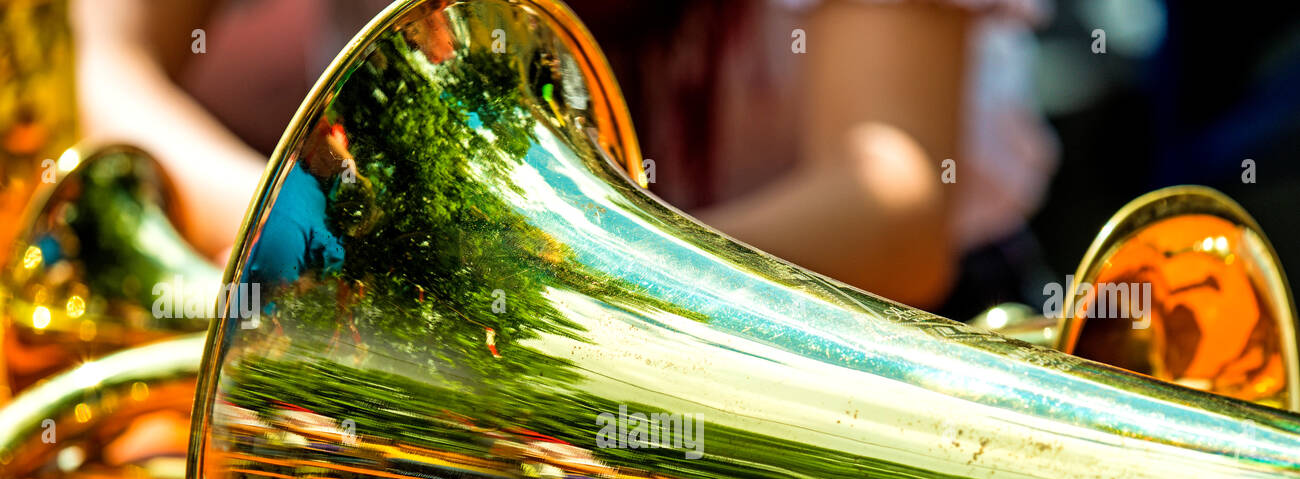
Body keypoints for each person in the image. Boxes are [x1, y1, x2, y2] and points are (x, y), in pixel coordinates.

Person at [72, 0, 1056, 309]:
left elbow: (890, 213)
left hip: (853, 339)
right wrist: (322, 249)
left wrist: (511, 278)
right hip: (437, 338)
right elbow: (97, 57)